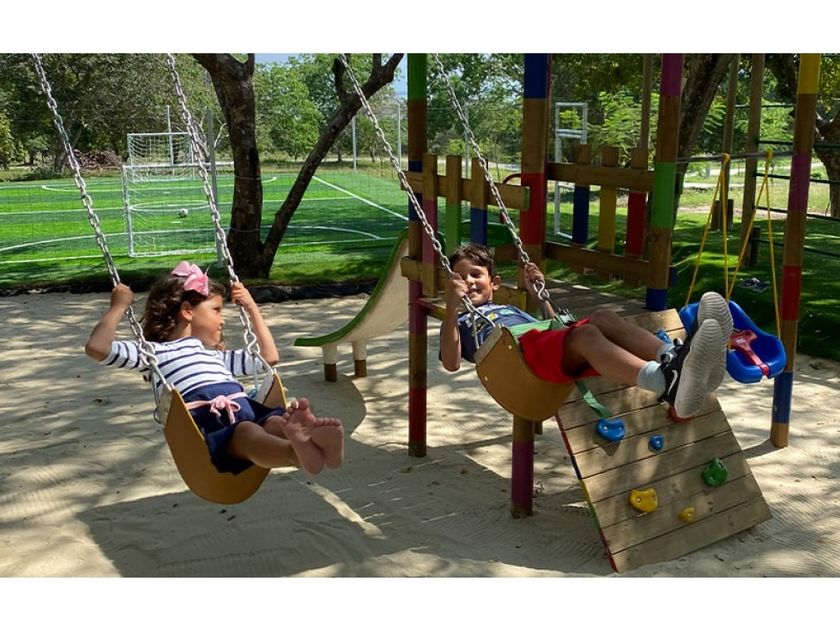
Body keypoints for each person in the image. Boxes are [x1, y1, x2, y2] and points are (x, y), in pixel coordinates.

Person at [85, 261, 344, 476]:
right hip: (209, 419)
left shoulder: (215, 356)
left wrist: (252, 308)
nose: (222, 320)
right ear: (187, 311)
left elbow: (269, 358)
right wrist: (118, 307)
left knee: (275, 421)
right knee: (247, 432)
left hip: (244, 406)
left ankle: (312, 444)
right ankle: (295, 453)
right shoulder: (152, 353)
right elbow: (97, 348)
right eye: (217, 310)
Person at [439, 244, 733, 420]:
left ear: (495, 282)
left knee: (603, 318)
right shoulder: (462, 322)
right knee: (585, 336)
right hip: (518, 360)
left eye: (475, 275)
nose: (469, 282)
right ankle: (667, 382)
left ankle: (675, 357)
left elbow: (554, 329)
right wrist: (451, 308)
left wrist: (539, 296)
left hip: (543, 347)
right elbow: (451, 364)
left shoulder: (510, 310)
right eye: (460, 278)